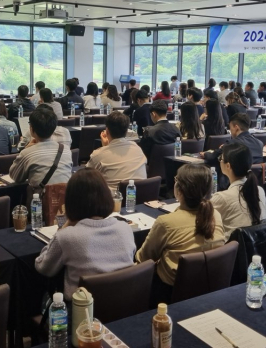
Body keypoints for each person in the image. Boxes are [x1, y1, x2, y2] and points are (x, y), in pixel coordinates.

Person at [35, 168, 136, 301]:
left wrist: (64, 226)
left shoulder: (66, 237)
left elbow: (43, 267)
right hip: (124, 308)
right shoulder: (125, 228)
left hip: (81, 315)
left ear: (71, 202)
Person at [136, 164, 225, 299]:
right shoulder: (216, 215)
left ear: (179, 190)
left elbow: (144, 258)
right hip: (210, 288)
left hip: (169, 293)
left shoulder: (166, 222)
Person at [212, 143, 266, 241]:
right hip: (259, 248)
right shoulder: (259, 190)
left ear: (228, 166)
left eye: (221, 159)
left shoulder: (223, 198)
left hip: (233, 252)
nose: (220, 161)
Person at [9, 107, 73, 186]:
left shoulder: (27, 153)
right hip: (65, 196)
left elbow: (15, 177)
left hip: (40, 197)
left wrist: (26, 149)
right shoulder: (66, 150)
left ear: (31, 129)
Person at [87, 112, 147, 190]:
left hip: (112, 200)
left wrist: (104, 148)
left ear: (107, 131)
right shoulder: (137, 148)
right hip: (141, 196)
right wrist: (106, 147)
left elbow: (87, 176)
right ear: (126, 132)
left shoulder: (98, 154)